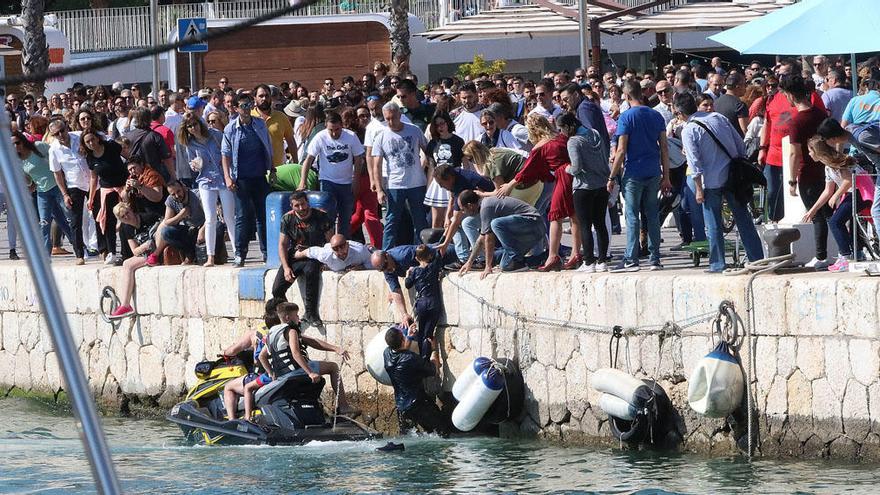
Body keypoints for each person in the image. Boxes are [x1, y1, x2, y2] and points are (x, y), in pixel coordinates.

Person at [677, 92, 764, 273]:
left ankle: (717, 264)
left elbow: (694, 162)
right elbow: (740, 145)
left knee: (713, 224)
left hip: (711, 182)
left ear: (678, 112)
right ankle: (757, 259)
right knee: (744, 219)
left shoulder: (689, 129)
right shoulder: (718, 118)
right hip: (732, 178)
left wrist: (698, 189)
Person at [497, 114, 581, 272]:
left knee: (555, 216)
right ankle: (576, 254)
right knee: (574, 215)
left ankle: (553, 256)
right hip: (575, 174)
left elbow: (527, 170)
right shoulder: (561, 137)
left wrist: (510, 185)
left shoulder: (540, 146)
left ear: (533, 129)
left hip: (562, 176)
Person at [608, 80, 671, 272]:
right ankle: (654, 258)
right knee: (652, 214)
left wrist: (611, 177)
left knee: (632, 215)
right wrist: (666, 175)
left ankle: (631, 258)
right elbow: (664, 148)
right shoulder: (656, 115)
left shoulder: (626, 117)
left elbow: (621, 150)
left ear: (626, 96)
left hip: (633, 172)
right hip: (653, 171)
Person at [261, 302, 358, 415]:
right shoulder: (291, 331)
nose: (299, 318)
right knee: (333, 367)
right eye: (296, 315)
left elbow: (261, 356)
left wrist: (272, 374)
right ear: (288, 318)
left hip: (281, 374)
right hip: (295, 371)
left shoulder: (271, 333)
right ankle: (343, 406)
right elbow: (296, 354)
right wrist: (310, 372)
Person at [783, 74, 834, 269]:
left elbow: (794, 154)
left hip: (807, 173)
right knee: (830, 215)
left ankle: (821, 256)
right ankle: (848, 251)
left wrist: (792, 181)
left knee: (818, 216)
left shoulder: (795, 121)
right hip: (826, 169)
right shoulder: (820, 114)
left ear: (789, 95)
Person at [221, 93, 275, 266]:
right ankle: (240, 253)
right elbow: (225, 155)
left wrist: (271, 168)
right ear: (236, 108)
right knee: (243, 216)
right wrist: (228, 177)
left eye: (249, 105)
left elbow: (268, 146)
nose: (247, 109)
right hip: (241, 179)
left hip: (259, 176)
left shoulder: (259, 124)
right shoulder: (230, 129)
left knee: (262, 216)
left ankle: (267, 252)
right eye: (243, 106)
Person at [178, 111, 236, 267]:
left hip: (222, 178)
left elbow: (227, 154)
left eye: (195, 124)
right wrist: (195, 165)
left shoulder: (215, 134)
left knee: (229, 217)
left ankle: (238, 252)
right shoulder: (189, 144)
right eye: (189, 126)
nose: (193, 128)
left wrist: (230, 174)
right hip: (205, 180)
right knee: (210, 218)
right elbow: (192, 163)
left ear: (200, 123)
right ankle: (210, 256)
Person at [371, 102, 430, 250]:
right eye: (387, 119)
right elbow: (376, 164)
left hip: (417, 183)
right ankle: (387, 252)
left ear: (399, 115)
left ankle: (421, 252)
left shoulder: (414, 130)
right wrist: (379, 189)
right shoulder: (381, 136)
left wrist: (429, 175)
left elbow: (428, 152)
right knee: (392, 219)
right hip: (394, 184)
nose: (391, 122)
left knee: (420, 220)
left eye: (393, 118)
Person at [299, 111, 365, 237]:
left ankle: (343, 243)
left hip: (346, 182)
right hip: (327, 181)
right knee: (327, 216)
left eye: (337, 129)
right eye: (331, 130)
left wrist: (356, 180)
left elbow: (358, 159)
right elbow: (308, 159)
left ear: (342, 125)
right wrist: (303, 180)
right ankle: (327, 244)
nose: (334, 133)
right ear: (325, 126)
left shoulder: (351, 136)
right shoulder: (320, 137)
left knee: (345, 217)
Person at [273, 191, 333, 328]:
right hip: (295, 256)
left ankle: (311, 314)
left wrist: (327, 260)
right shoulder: (287, 219)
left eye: (303, 204)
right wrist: (286, 267)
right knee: (277, 290)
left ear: (308, 203)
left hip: (314, 256)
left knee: (312, 272)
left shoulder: (321, 216)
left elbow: (331, 241)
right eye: (297, 206)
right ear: (292, 206)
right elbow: (282, 244)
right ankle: (289, 317)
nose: (301, 209)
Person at [805, 131, 861, 273]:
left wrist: (836, 195)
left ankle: (846, 257)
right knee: (840, 221)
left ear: (818, 151)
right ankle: (854, 253)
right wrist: (813, 210)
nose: (809, 154)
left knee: (835, 222)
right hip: (852, 193)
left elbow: (848, 181)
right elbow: (827, 191)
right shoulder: (828, 167)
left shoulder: (836, 161)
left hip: (861, 192)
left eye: (810, 151)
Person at [562, 114, 611, 272]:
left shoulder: (573, 141)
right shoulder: (595, 134)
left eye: (561, 128)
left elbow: (576, 167)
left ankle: (589, 262)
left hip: (583, 187)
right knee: (600, 224)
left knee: (585, 225)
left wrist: (566, 169)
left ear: (568, 127)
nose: (561, 132)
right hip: (601, 184)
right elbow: (604, 157)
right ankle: (602, 261)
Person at [13, 131, 74, 257]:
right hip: (42, 192)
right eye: (12, 145)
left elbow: (57, 156)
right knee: (44, 223)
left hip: (57, 187)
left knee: (67, 219)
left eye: (17, 142)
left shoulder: (39, 146)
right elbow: (30, 181)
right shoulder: (17, 161)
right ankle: (45, 255)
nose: (15, 146)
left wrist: (65, 175)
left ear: (22, 140)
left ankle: (79, 246)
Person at [457, 190, 544, 276]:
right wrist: (469, 262)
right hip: (529, 231)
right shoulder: (484, 207)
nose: (463, 212)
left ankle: (516, 259)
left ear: (470, 206)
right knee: (506, 265)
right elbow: (481, 239)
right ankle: (533, 260)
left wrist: (488, 266)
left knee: (495, 224)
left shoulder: (486, 207)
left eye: (463, 209)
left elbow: (489, 238)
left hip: (534, 224)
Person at [383, 326, 448, 437]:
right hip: (418, 405)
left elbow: (401, 352)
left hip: (401, 407)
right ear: (402, 340)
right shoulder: (411, 359)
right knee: (442, 432)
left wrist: (408, 337)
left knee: (408, 438)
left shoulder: (387, 353)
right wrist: (434, 349)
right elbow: (434, 370)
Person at [107, 202, 163, 319]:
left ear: (131, 210)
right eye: (123, 217)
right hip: (146, 252)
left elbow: (163, 227)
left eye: (127, 213)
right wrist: (144, 246)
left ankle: (125, 305)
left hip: (159, 249)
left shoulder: (147, 217)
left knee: (128, 265)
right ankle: (125, 305)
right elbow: (135, 251)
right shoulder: (127, 228)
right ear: (120, 220)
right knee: (127, 264)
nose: (127, 217)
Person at [433, 163, 496, 266]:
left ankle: (482, 259)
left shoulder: (463, 181)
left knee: (466, 223)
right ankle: (464, 259)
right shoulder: (455, 175)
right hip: (478, 208)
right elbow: (452, 197)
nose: (440, 187)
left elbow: (456, 220)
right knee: (455, 225)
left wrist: (445, 244)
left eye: (441, 183)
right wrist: (447, 216)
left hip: (493, 208)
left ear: (449, 179)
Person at [81, 129, 126, 265]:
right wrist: (91, 197)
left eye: (92, 139)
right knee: (108, 222)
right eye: (87, 142)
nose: (91, 143)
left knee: (127, 219)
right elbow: (94, 178)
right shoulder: (90, 157)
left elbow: (127, 156)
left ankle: (127, 251)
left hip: (123, 187)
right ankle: (111, 252)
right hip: (106, 190)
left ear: (98, 138)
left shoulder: (111, 147)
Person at [47, 119, 90, 261]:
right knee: (75, 220)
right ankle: (79, 254)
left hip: (92, 180)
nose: (61, 135)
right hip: (74, 184)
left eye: (62, 130)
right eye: (56, 133)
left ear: (66, 127)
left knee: (98, 215)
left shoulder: (79, 136)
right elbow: (57, 173)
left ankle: (104, 249)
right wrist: (65, 194)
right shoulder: (54, 149)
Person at [463, 141, 542, 206]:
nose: (472, 162)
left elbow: (500, 193)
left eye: (470, 159)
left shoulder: (492, 164)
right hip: (537, 181)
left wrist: (482, 194)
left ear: (476, 156)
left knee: (510, 213)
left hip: (527, 186)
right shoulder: (494, 151)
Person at [145, 180, 206, 266]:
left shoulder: (197, 195)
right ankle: (190, 254)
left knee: (218, 227)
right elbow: (167, 222)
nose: (177, 195)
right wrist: (180, 215)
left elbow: (211, 216)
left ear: (183, 188)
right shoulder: (171, 200)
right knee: (166, 231)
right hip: (190, 230)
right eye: (173, 194)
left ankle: (214, 254)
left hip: (204, 227)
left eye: (178, 191)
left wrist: (203, 229)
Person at [424, 112, 465, 228]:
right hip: (437, 183)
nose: (440, 127)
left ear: (448, 123)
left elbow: (465, 163)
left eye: (442, 124)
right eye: (437, 125)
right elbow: (431, 167)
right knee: (436, 221)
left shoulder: (458, 141)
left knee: (453, 219)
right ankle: (434, 244)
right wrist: (429, 186)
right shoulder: (433, 143)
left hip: (453, 181)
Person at [404, 244, 444, 363]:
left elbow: (407, 284)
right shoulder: (433, 267)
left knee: (422, 332)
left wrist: (408, 274)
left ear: (416, 258)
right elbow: (439, 253)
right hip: (433, 303)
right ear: (429, 256)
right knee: (428, 332)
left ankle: (423, 358)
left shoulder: (415, 271)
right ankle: (425, 359)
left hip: (421, 304)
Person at [252, 84, 298, 166]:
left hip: (278, 169)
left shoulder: (281, 117)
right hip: (255, 169)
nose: (264, 99)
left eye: (267, 96)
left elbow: (291, 141)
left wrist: (296, 162)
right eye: (261, 96)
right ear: (255, 98)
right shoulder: (249, 117)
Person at [124, 107, 174, 181]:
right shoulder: (155, 136)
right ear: (149, 118)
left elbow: (124, 155)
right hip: (154, 176)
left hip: (136, 176)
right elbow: (167, 159)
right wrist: (173, 176)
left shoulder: (127, 136)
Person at [291, 233, 373, 272]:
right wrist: (293, 256)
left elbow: (373, 263)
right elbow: (308, 252)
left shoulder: (360, 251)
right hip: (325, 252)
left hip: (365, 248)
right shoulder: (325, 254)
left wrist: (362, 267)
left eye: (342, 246)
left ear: (347, 244)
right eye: (335, 249)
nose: (340, 251)